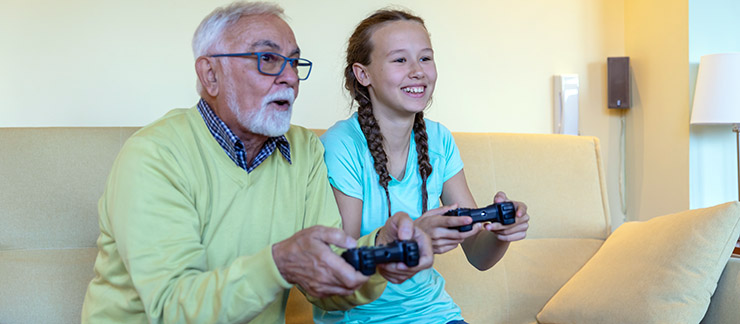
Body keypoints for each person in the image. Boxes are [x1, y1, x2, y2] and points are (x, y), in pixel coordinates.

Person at [80, 2, 434, 323]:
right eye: (267, 59)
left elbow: (328, 289)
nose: (290, 77)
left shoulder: (304, 149)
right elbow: (174, 308)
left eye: (294, 62)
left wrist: (378, 255)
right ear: (210, 75)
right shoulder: (155, 155)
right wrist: (278, 264)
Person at [316, 9, 531, 324]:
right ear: (363, 74)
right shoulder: (342, 145)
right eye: (400, 60)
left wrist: (500, 232)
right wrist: (414, 238)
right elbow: (342, 267)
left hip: (435, 315)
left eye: (425, 58)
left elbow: (478, 255)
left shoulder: (439, 139)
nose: (418, 71)